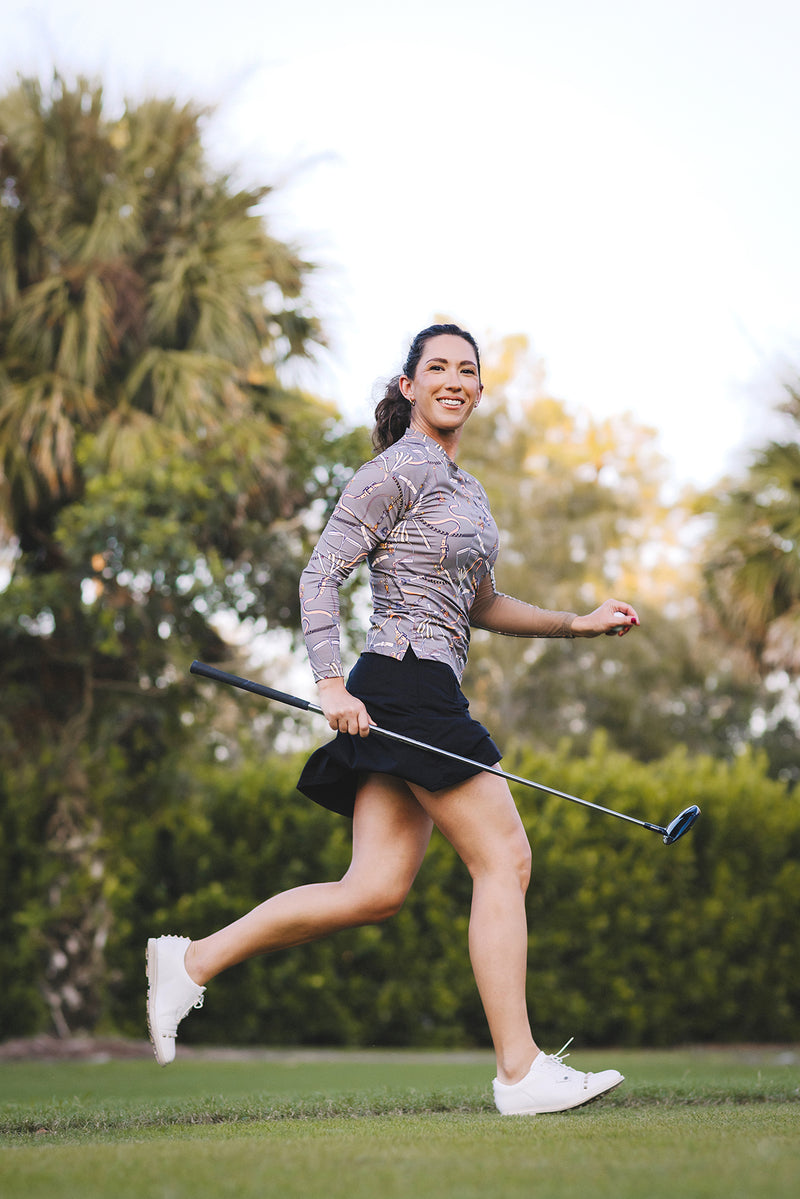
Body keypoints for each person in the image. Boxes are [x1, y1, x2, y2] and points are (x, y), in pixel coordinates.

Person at [147, 323, 640, 1115]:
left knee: (373, 889)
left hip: (418, 684)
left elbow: (480, 603)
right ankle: (520, 1070)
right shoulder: (394, 470)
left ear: (479, 390)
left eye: (467, 369)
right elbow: (319, 575)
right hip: (403, 679)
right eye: (437, 367)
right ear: (409, 385)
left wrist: (575, 623)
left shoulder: (468, 490)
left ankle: (190, 963)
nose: (454, 379)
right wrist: (329, 682)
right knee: (505, 858)